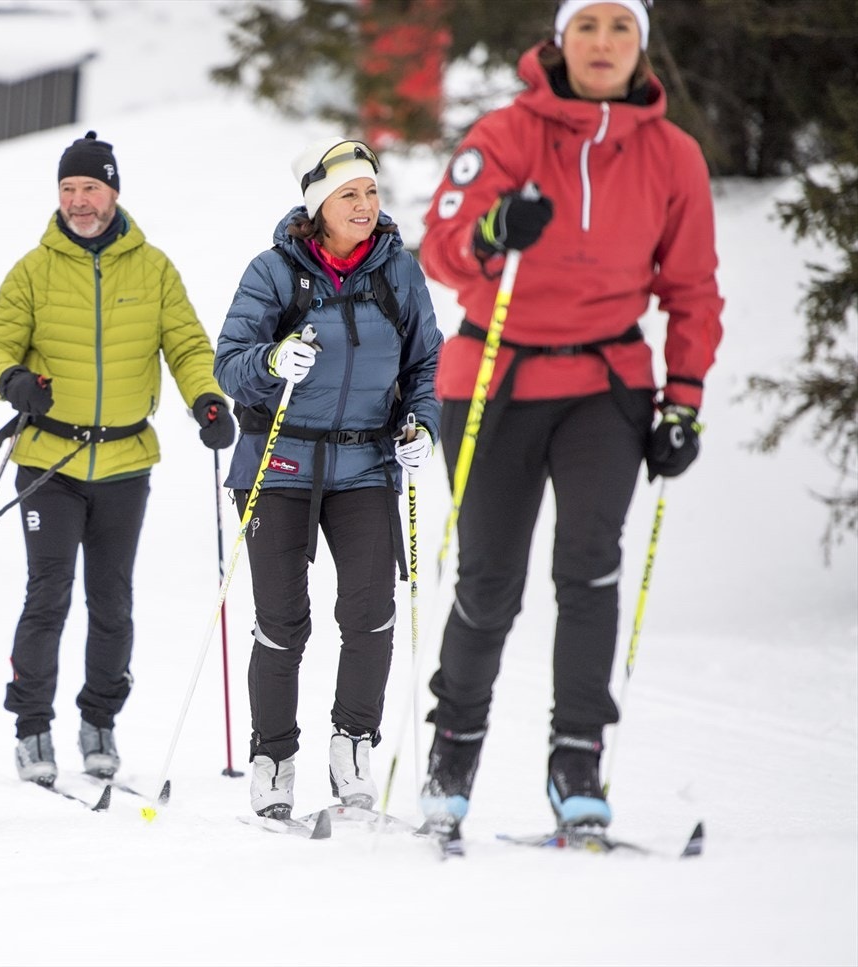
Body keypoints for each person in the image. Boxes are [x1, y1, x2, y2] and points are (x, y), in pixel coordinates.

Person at [416, 0, 724, 836]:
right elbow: (437, 246)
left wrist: (684, 401)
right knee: (489, 580)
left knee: (589, 573)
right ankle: (453, 751)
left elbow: (691, 287)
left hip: (604, 386)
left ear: (641, 47)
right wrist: (492, 229)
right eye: (585, 26)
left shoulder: (672, 155)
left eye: (619, 28)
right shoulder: (509, 134)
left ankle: (576, 760)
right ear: (559, 41)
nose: (601, 43)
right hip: (496, 379)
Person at [0, 131, 235, 785]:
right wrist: (14, 382)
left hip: (124, 462)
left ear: (113, 191)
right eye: (67, 189)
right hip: (49, 461)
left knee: (112, 601)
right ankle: (32, 727)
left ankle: (99, 722)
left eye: (90, 188)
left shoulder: (154, 269)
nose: (78, 201)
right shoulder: (33, 269)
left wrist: (206, 400)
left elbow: (187, 345)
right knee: (48, 595)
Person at [214, 138, 444, 819]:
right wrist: (272, 358)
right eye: (350, 195)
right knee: (283, 621)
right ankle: (274, 757)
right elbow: (231, 360)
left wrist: (422, 427)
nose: (366, 206)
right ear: (319, 206)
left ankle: (352, 746)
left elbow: (427, 363)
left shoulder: (399, 272)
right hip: (279, 462)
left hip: (367, 464)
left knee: (371, 614)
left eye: (372, 192)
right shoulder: (275, 272)